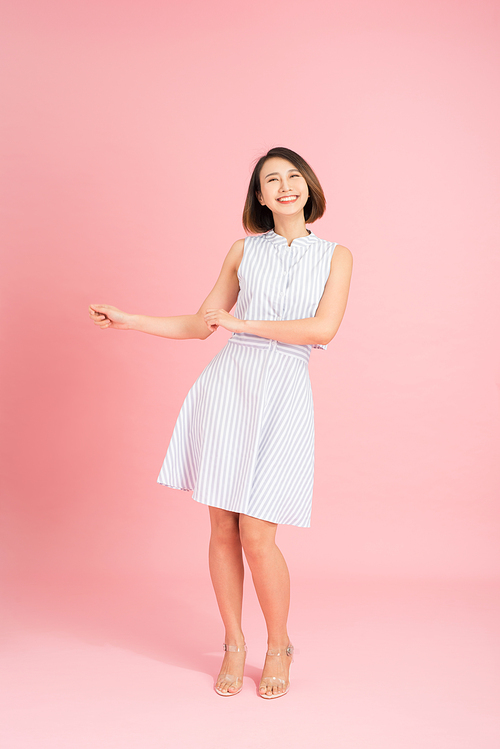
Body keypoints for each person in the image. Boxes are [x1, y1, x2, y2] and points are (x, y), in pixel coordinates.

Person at [89, 146, 353, 699]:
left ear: (308, 185)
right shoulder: (242, 250)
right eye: (270, 180)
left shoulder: (336, 255)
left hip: (283, 391)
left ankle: (277, 644)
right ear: (258, 196)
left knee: (259, 535)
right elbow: (201, 323)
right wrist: (130, 320)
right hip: (229, 388)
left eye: (292, 176)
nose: (284, 186)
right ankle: (234, 643)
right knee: (222, 529)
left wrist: (243, 322)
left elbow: (322, 330)